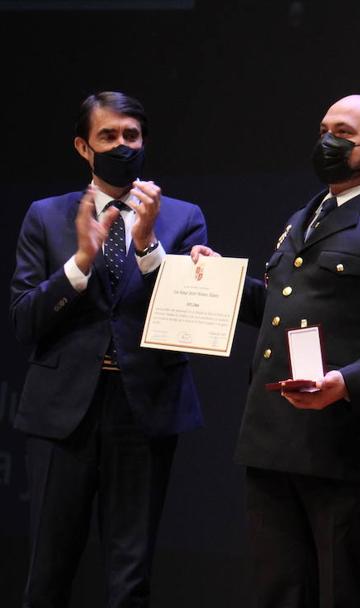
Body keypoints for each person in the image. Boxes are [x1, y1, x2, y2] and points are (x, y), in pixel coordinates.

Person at [194, 94, 360, 607]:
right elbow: (279, 307)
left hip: (345, 439)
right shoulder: (305, 215)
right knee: (278, 590)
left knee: (343, 591)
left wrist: (347, 382)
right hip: (274, 432)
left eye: (343, 133)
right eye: (323, 129)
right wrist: (219, 279)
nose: (327, 142)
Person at [10, 91, 207, 607]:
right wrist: (79, 262)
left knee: (131, 574)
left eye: (132, 136)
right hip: (63, 411)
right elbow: (25, 319)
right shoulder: (46, 216)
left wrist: (146, 246)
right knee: (49, 571)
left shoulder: (182, 217)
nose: (123, 146)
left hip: (142, 409)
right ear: (83, 146)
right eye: (108, 136)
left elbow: (191, 319)